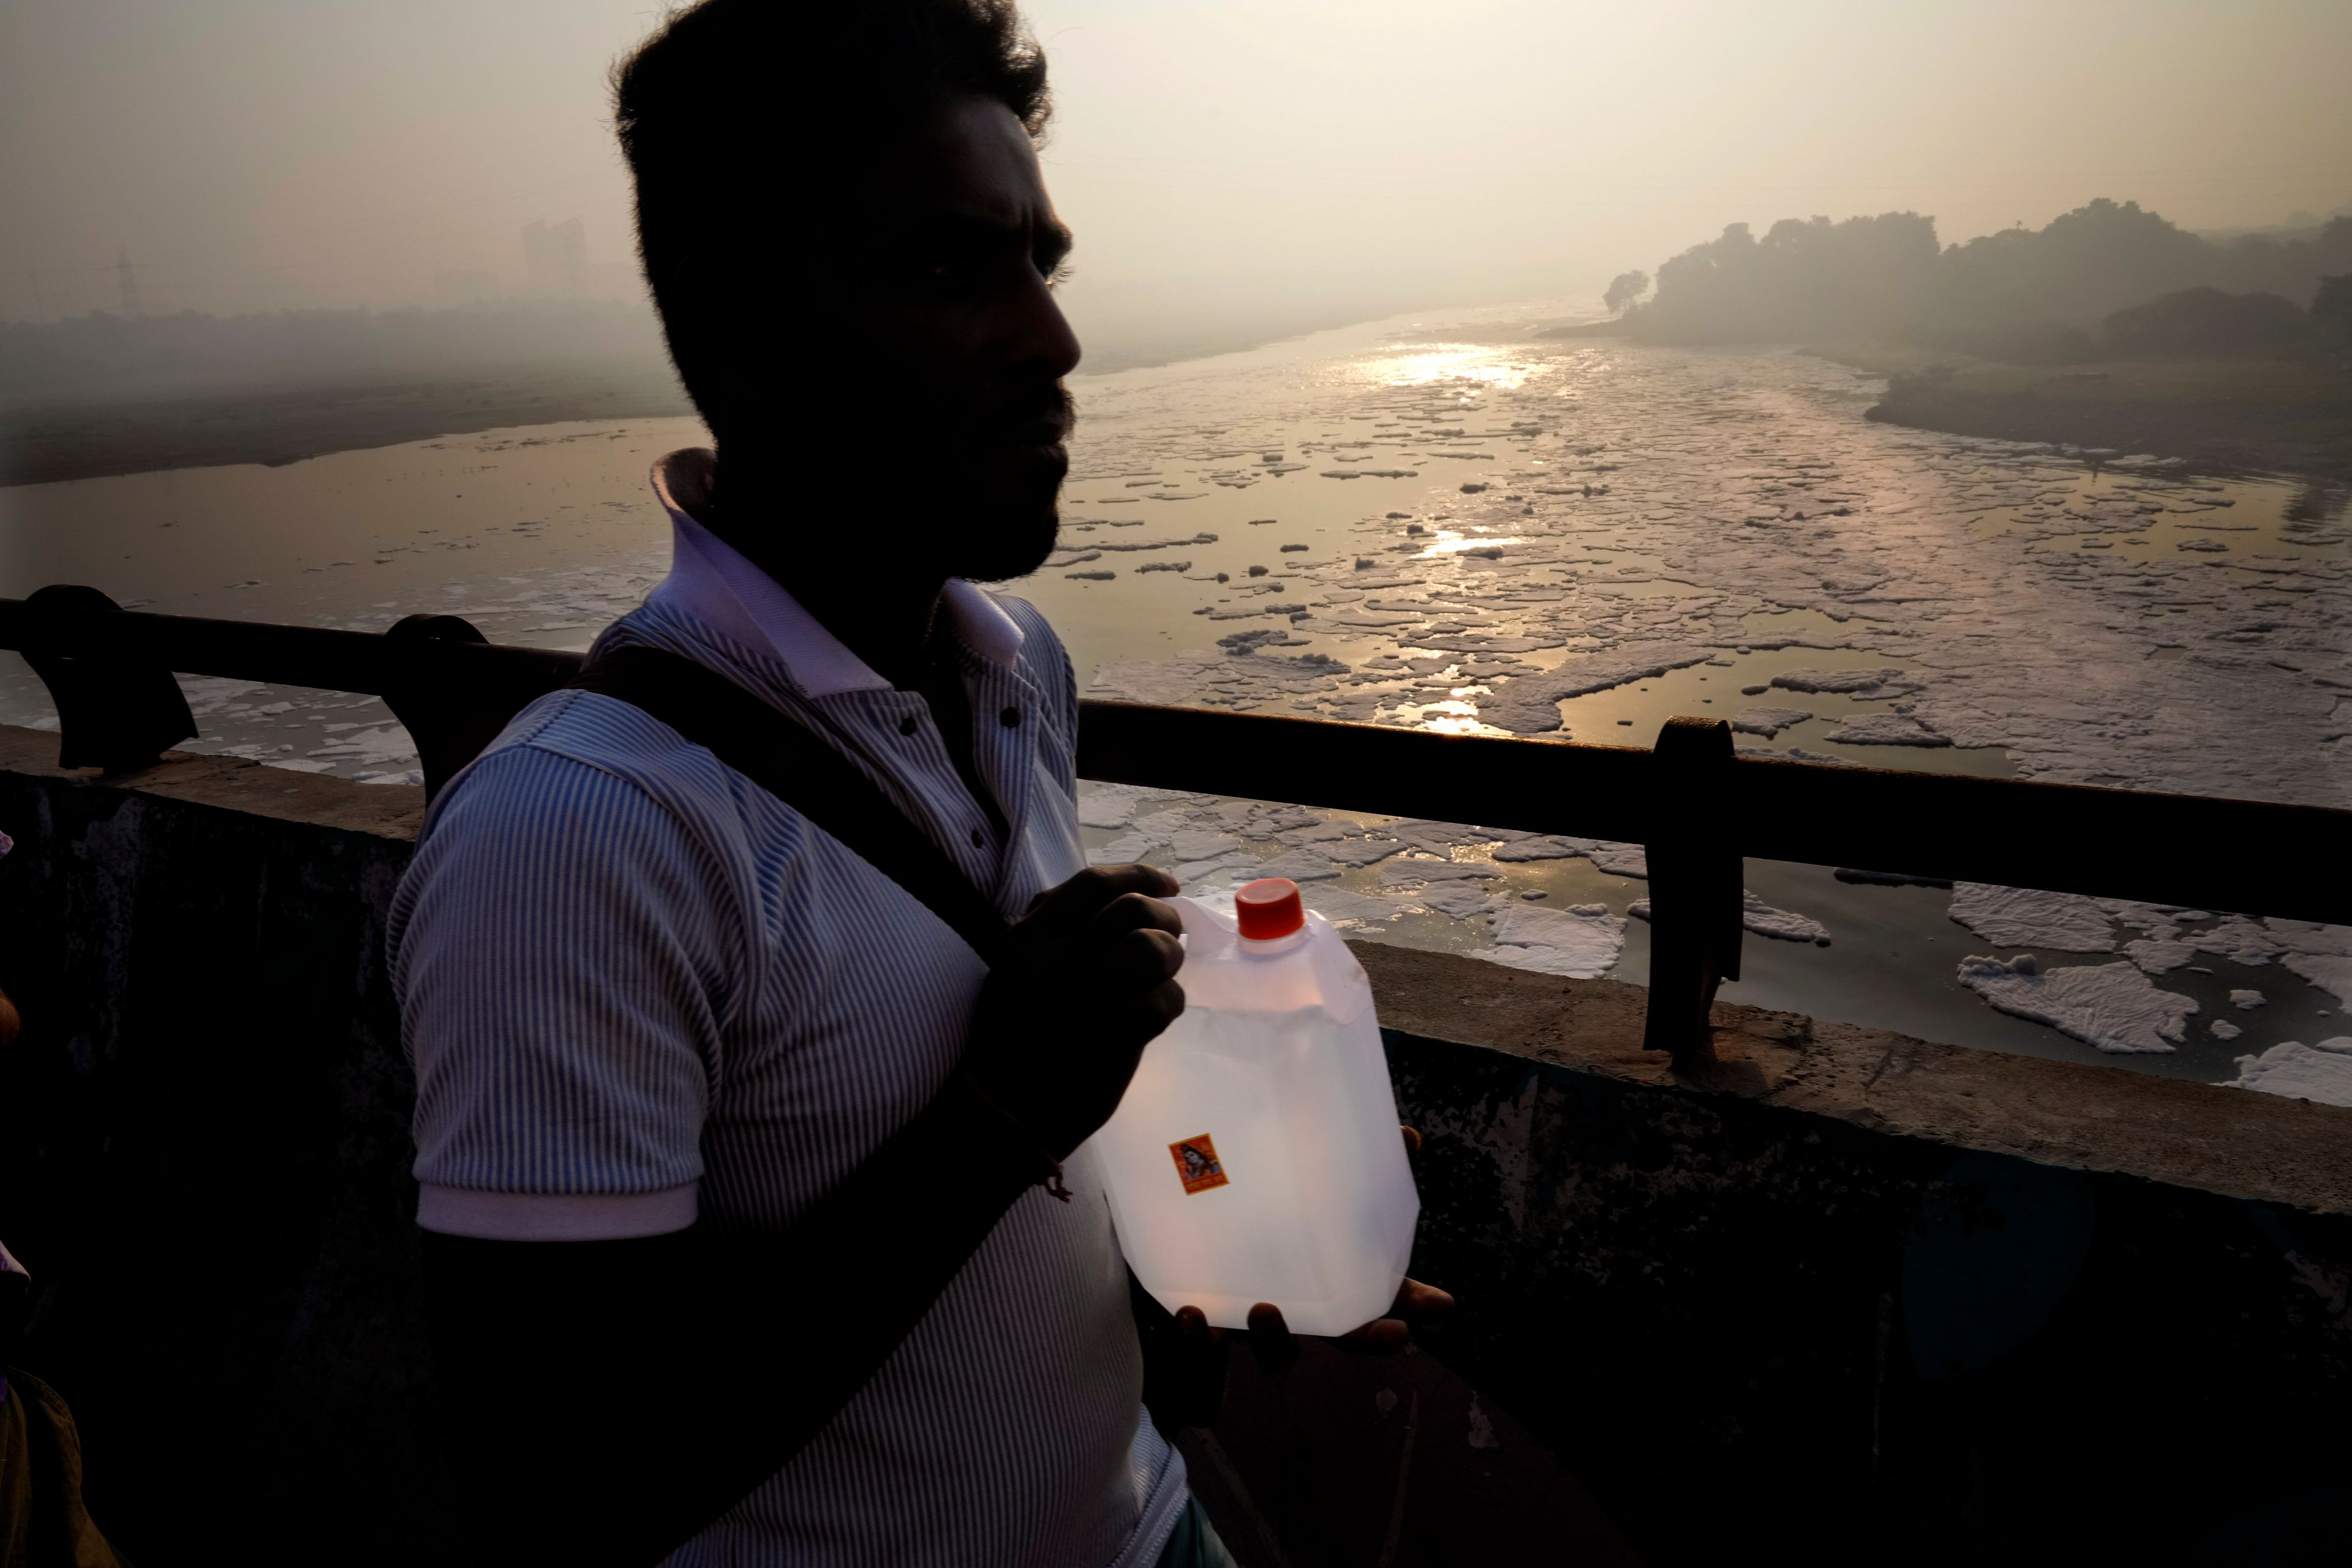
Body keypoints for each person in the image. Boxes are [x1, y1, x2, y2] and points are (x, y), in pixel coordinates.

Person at [394, 2, 1447, 1565]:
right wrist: (1002, 1108)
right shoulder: (580, 837)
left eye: (1044, 261)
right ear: (750, 344)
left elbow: (974, 1148)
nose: (1053, 338)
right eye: (959, 271)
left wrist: (1177, 1271)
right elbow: (561, 1487)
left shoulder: (1016, 668)